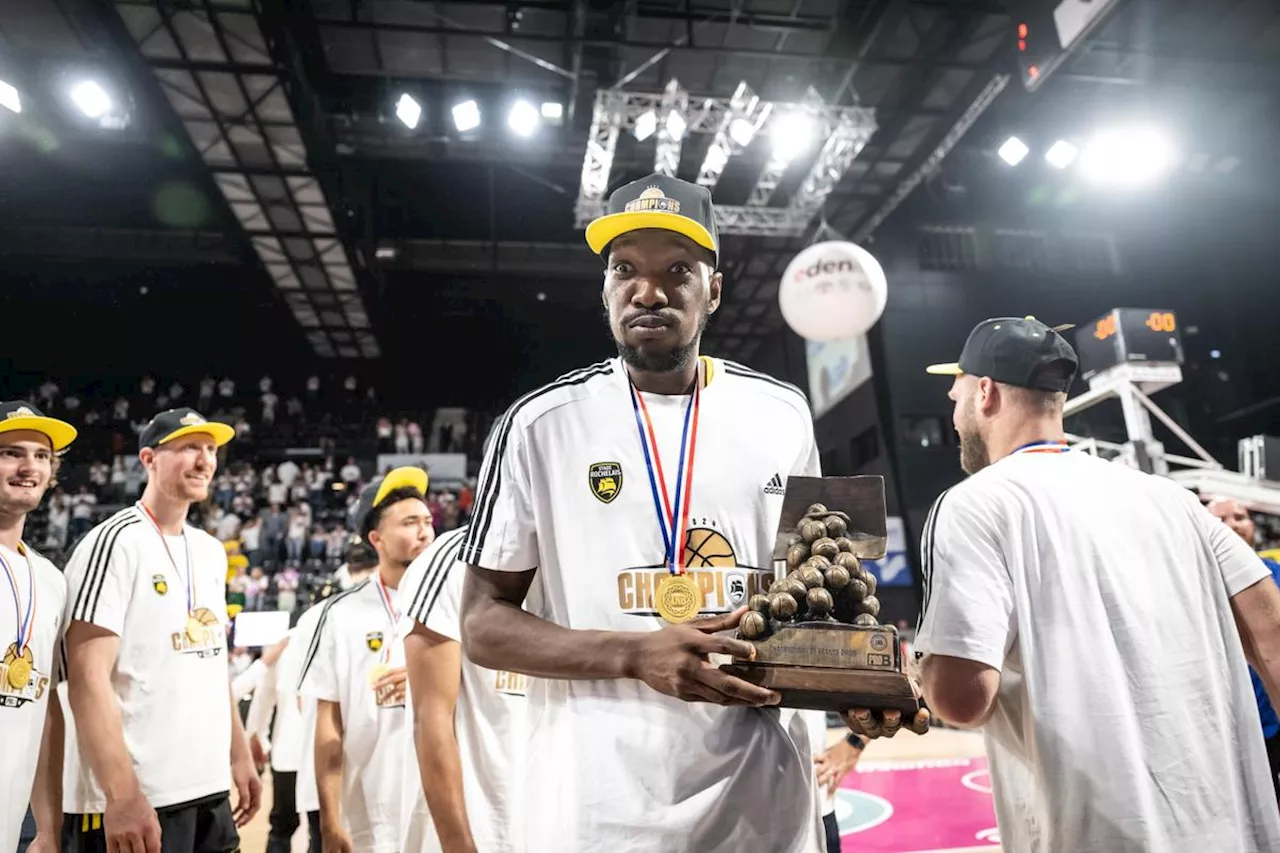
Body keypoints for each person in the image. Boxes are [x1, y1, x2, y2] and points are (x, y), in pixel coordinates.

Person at [458, 173, 825, 852]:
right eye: (624, 268)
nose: (648, 291)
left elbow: (816, 588)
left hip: (761, 804)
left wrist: (864, 683)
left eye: (677, 270)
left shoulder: (781, 412)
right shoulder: (538, 424)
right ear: (604, 290)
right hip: (598, 811)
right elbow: (481, 625)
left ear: (714, 289)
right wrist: (632, 653)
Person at [873, 316, 1280, 851]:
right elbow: (1271, 632)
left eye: (957, 396)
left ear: (986, 393)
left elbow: (963, 699)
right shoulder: (1173, 500)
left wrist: (910, 673)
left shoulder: (976, 502)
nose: (953, 414)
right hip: (1234, 829)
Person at [62, 408, 261, 853]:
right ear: (149, 459)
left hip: (206, 788)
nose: (205, 460)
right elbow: (86, 678)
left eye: (210, 450)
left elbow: (213, 665)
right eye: (190, 447)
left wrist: (238, 753)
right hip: (140, 794)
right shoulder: (113, 543)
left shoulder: (210, 551)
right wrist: (121, 793)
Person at [299, 468, 434, 853]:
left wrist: (435, 677)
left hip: (444, 809)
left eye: (427, 521)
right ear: (376, 538)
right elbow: (328, 724)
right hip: (371, 816)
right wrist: (328, 819)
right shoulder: (339, 614)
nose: (424, 532)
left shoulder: (457, 604)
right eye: (409, 523)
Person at [400, 523, 530, 853]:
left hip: (560, 819)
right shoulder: (453, 558)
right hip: (487, 827)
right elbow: (431, 717)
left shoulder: (576, 552)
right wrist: (458, 844)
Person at [0, 403, 77, 853]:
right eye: (11, 452)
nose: (30, 467)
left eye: (42, 456)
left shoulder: (50, 579)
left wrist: (48, 828)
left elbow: (46, 707)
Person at [288, 544, 380, 853]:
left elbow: (301, 699)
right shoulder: (336, 614)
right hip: (358, 770)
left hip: (323, 770)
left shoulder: (311, 618)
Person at [1207, 496, 1280, 802]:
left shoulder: (1274, 572)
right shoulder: (1195, 584)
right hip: (1227, 729)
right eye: (1220, 520)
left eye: (1239, 516)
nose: (1232, 525)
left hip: (1274, 722)